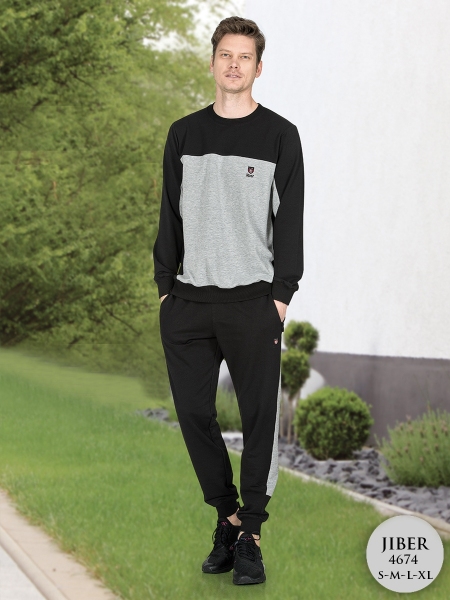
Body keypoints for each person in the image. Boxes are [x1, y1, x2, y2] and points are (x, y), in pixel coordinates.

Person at [152, 16, 304, 585]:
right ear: (213, 61)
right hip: (188, 303)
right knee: (194, 415)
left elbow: (291, 221)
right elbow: (169, 213)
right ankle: (228, 517)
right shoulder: (183, 134)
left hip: (252, 303)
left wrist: (281, 296)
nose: (234, 64)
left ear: (258, 68)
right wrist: (165, 289)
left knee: (260, 419)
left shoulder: (280, 136)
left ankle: (251, 538)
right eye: (226, 54)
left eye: (245, 57)